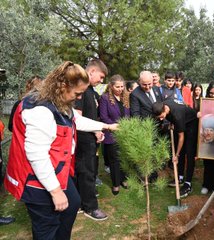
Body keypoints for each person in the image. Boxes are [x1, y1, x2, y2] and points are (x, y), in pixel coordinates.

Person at [4, 61, 117, 239]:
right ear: (63, 86)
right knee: (46, 225)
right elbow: (37, 156)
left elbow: (75, 121)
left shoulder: (57, 102)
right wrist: (56, 192)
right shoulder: (41, 111)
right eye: (77, 93)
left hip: (56, 170)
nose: (79, 98)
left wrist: (106, 126)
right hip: (36, 179)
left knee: (72, 204)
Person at [74, 59, 108, 221]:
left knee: (88, 172)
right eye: (100, 77)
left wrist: (98, 131)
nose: (101, 81)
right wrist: (96, 130)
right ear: (91, 72)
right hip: (83, 139)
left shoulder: (91, 92)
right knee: (87, 173)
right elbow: (78, 118)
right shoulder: (81, 90)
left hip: (91, 138)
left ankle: (80, 203)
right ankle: (90, 208)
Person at [153, 99, 197, 198]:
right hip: (180, 122)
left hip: (191, 124)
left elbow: (182, 137)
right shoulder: (163, 104)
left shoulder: (178, 115)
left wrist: (176, 155)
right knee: (180, 150)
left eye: (162, 117)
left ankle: (188, 184)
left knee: (189, 153)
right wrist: (171, 122)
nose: (161, 119)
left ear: (165, 109)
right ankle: (180, 177)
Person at [99, 74, 130, 195]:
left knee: (124, 158)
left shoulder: (125, 97)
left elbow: (129, 114)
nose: (120, 89)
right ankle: (116, 184)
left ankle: (124, 179)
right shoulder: (105, 98)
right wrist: (117, 127)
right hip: (112, 134)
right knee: (114, 160)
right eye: (118, 87)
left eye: (122, 86)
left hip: (125, 134)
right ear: (111, 86)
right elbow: (103, 117)